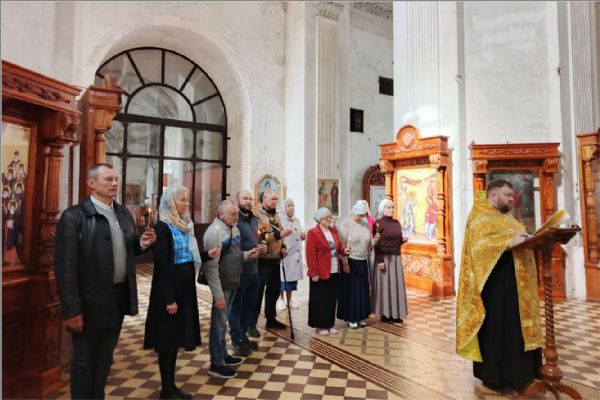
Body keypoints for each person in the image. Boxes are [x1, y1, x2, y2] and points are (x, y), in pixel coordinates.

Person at [54, 163, 156, 399]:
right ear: (91, 183)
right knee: (85, 360)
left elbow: (130, 249)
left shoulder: (122, 213)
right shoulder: (75, 217)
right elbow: (65, 268)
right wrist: (72, 309)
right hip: (89, 301)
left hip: (117, 298)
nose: (114, 183)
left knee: (105, 357)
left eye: (116, 179)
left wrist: (142, 244)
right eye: (108, 179)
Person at [456, 179, 542, 393]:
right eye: (507, 195)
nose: (512, 199)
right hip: (495, 286)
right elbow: (479, 247)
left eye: (512, 195)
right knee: (500, 328)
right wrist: (507, 243)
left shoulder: (507, 218)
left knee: (516, 328)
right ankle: (497, 377)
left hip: (517, 285)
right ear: (493, 195)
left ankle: (522, 374)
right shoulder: (479, 217)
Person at [143, 186, 219, 399]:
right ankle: (166, 389)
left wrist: (207, 254)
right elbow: (162, 265)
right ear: (170, 203)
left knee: (175, 339)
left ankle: (171, 386)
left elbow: (188, 256)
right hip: (169, 290)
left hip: (185, 289)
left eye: (187, 199)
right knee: (167, 340)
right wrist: (169, 299)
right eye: (182, 200)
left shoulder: (185, 226)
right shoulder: (162, 228)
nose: (187, 203)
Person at [203, 200, 259, 378]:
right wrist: (218, 295)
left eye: (236, 214)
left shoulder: (233, 229)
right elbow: (211, 268)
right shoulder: (214, 233)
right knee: (218, 326)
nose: (236, 217)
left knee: (223, 323)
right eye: (233, 214)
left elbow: (235, 255)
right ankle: (216, 363)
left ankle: (223, 355)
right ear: (221, 215)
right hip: (222, 286)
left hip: (234, 282)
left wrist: (247, 255)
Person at [228, 190, 267, 356]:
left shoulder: (254, 219)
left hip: (253, 270)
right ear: (237, 200)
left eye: (251, 199)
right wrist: (247, 252)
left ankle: (243, 336)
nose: (248, 201)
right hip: (239, 272)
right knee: (237, 307)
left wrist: (262, 247)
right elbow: (231, 247)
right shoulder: (234, 220)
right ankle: (236, 340)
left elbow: (257, 239)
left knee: (249, 307)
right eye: (245, 198)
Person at [252, 189, 292, 329]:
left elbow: (281, 233)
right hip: (261, 260)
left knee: (274, 290)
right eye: (272, 199)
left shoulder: (276, 215)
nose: (275, 201)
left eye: (276, 199)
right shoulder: (256, 214)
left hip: (275, 258)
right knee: (257, 292)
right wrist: (278, 234)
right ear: (264, 198)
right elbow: (260, 235)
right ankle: (252, 323)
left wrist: (283, 247)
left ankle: (271, 318)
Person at [306, 208, 350, 336]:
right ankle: (320, 326)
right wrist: (314, 273)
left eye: (331, 217)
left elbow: (338, 247)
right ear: (320, 219)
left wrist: (344, 251)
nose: (330, 219)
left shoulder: (333, 231)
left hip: (334, 269)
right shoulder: (313, 233)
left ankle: (330, 324)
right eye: (327, 218)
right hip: (320, 271)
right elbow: (310, 254)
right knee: (320, 300)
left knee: (331, 299)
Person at [338, 201, 379, 329]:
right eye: (359, 215)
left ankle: (361, 316)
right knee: (352, 292)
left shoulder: (365, 224)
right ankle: (351, 317)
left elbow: (369, 243)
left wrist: (376, 240)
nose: (361, 217)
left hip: (363, 261)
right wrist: (345, 262)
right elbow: (341, 246)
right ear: (354, 212)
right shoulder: (346, 224)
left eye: (363, 215)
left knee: (362, 291)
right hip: (351, 261)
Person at [372, 199, 408, 324]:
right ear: (382, 209)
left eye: (392, 207)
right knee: (386, 288)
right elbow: (376, 244)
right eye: (388, 207)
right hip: (384, 258)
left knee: (396, 287)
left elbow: (396, 239)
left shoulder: (397, 223)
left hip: (396, 258)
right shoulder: (378, 223)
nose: (391, 210)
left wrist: (402, 240)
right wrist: (379, 261)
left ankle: (396, 314)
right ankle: (385, 314)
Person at [276, 198, 305, 311]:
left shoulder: (296, 220)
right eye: (289, 206)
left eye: (292, 205)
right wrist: (282, 233)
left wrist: (302, 236)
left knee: (292, 280)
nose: (291, 208)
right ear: (283, 208)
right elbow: (277, 236)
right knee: (282, 278)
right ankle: (281, 299)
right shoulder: (279, 220)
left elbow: (297, 235)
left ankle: (289, 300)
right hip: (285, 255)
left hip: (295, 255)